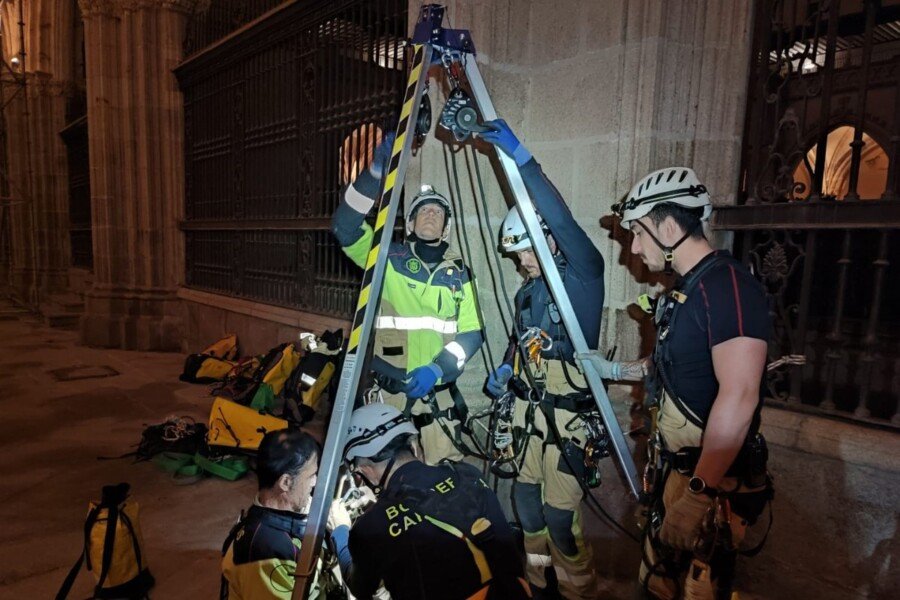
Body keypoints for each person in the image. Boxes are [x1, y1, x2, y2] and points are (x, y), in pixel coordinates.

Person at [577, 167, 773, 599]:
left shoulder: (727, 287)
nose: (633, 246)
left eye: (639, 234)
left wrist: (698, 496)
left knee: (698, 590)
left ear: (668, 227)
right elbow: (672, 364)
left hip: (708, 484)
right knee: (657, 585)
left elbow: (740, 396)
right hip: (676, 474)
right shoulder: (686, 289)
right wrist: (615, 371)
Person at [480, 119, 604, 599]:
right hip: (531, 414)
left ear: (548, 239)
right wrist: (508, 368)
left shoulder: (583, 281)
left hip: (569, 422)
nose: (522, 264)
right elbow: (519, 340)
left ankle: (578, 590)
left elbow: (563, 219)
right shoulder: (528, 295)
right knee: (525, 504)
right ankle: (537, 583)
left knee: (559, 518)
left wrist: (523, 160)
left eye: (525, 251)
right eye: (515, 257)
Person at [331, 131, 484, 465]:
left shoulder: (459, 274)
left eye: (438, 212)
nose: (430, 214)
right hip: (389, 393)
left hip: (438, 395)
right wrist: (374, 176)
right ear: (411, 224)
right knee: (384, 478)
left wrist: (437, 368)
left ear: (445, 228)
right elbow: (344, 227)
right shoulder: (388, 260)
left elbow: (472, 333)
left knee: (443, 480)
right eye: (422, 211)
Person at [326, 402, 531, 600]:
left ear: (364, 469)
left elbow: (360, 588)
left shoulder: (370, 528)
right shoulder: (468, 474)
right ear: (413, 445)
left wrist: (340, 530)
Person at [221, 430, 321, 599]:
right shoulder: (263, 554)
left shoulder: (276, 514)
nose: (315, 482)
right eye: (311, 476)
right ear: (286, 482)